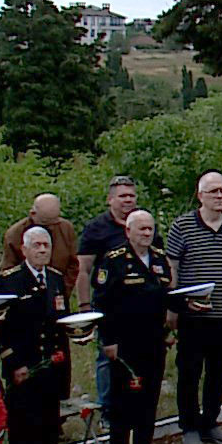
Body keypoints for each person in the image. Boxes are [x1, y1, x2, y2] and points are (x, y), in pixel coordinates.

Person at [166, 171, 222, 444]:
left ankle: (211, 422)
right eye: (213, 192)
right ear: (200, 196)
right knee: (189, 371)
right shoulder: (182, 226)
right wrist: (174, 306)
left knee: (218, 371)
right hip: (192, 314)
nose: (219, 196)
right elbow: (172, 267)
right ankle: (189, 426)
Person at [93, 210, 174, 444]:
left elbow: (165, 297)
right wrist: (108, 340)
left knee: (149, 394)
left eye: (150, 229)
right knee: (122, 398)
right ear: (128, 232)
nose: (147, 234)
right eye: (141, 229)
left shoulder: (160, 260)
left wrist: (169, 330)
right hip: (124, 340)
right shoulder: (114, 261)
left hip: (153, 338)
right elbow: (102, 304)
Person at [0, 226, 72, 444]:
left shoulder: (56, 279)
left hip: (52, 363)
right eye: (36, 245)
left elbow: (62, 323)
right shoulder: (9, 281)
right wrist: (13, 363)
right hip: (24, 364)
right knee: (23, 422)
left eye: (46, 246)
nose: (42, 250)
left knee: (50, 420)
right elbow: (1, 329)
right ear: (24, 250)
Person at [77, 176, 143, 416]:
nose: (128, 200)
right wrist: (84, 307)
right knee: (107, 357)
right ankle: (108, 410)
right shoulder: (97, 228)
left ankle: (137, 407)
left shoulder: (143, 223)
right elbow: (83, 269)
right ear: (110, 199)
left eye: (131, 195)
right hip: (109, 304)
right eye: (122, 196)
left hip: (140, 304)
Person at [0, 192, 81, 278]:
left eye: (54, 222)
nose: (51, 227)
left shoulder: (66, 228)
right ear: (33, 214)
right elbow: (8, 270)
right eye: (46, 223)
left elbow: (73, 265)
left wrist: (62, 288)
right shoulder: (14, 234)